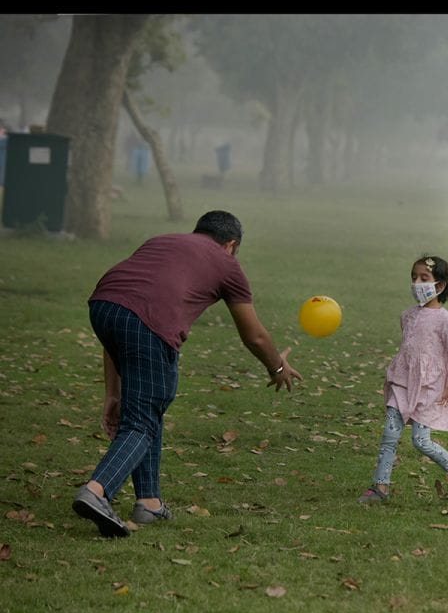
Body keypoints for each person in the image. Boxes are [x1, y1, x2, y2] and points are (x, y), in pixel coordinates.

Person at [72, 211, 303, 537]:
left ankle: (149, 503)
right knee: (141, 421)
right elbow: (255, 335)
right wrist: (277, 367)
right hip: (149, 324)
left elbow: (122, 320)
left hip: (103, 306)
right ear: (232, 245)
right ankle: (97, 491)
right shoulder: (227, 264)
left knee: (147, 408)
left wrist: (113, 393)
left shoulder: (162, 241)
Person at [358, 255, 448, 503]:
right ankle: (380, 487)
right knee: (389, 435)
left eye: (424, 278)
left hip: (429, 388)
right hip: (401, 383)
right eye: (413, 278)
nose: (416, 283)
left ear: (439, 286)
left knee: (421, 441)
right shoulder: (407, 316)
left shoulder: (446, 320)